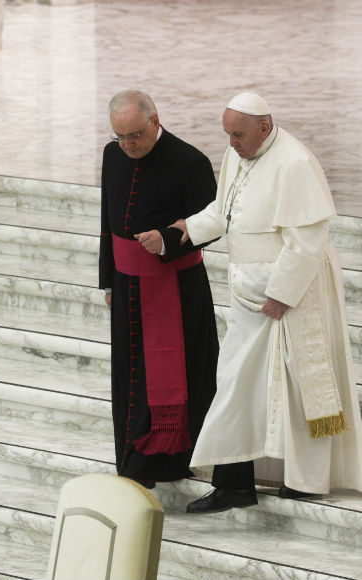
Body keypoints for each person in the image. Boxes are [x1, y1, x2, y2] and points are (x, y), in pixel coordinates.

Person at [174, 91, 362, 513]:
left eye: (238, 134)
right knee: (238, 384)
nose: (231, 143)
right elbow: (226, 208)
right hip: (247, 297)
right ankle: (236, 482)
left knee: (298, 385)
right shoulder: (238, 153)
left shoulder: (295, 162)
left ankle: (308, 481)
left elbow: (308, 239)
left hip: (292, 296)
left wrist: (282, 293)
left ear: (264, 127)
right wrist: (187, 229)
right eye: (228, 134)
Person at [99, 90, 220, 489]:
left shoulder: (190, 162)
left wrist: (168, 239)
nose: (128, 145)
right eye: (121, 137)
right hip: (126, 284)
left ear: (155, 121)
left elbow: (214, 225)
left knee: (177, 376)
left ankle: (169, 462)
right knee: (129, 376)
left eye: (135, 135)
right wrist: (108, 279)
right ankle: (131, 460)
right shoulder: (112, 155)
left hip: (176, 288)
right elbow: (108, 222)